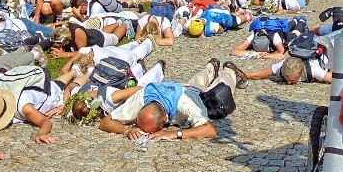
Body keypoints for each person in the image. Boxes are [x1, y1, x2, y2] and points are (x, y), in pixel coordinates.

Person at [99, 58, 248, 141]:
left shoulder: (186, 105)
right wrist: (127, 129)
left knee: (221, 90)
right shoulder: (141, 98)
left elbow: (210, 130)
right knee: (194, 82)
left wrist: (173, 134)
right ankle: (210, 68)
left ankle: (230, 71)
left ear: (164, 119)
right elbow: (105, 122)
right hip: (180, 87)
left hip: (195, 96)